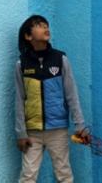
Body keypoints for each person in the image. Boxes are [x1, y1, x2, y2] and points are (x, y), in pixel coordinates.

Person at [15, 15, 87, 183]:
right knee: (28, 175)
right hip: (32, 132)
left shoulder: (60, 59)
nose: (46, 28)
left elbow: (71, 94)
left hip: (58, 129)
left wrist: (80, 124)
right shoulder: (21, 64)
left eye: (46, 25)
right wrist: (21, 132)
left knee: (64, 173)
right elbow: (19, 99)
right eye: (39, 25)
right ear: (28, 36)